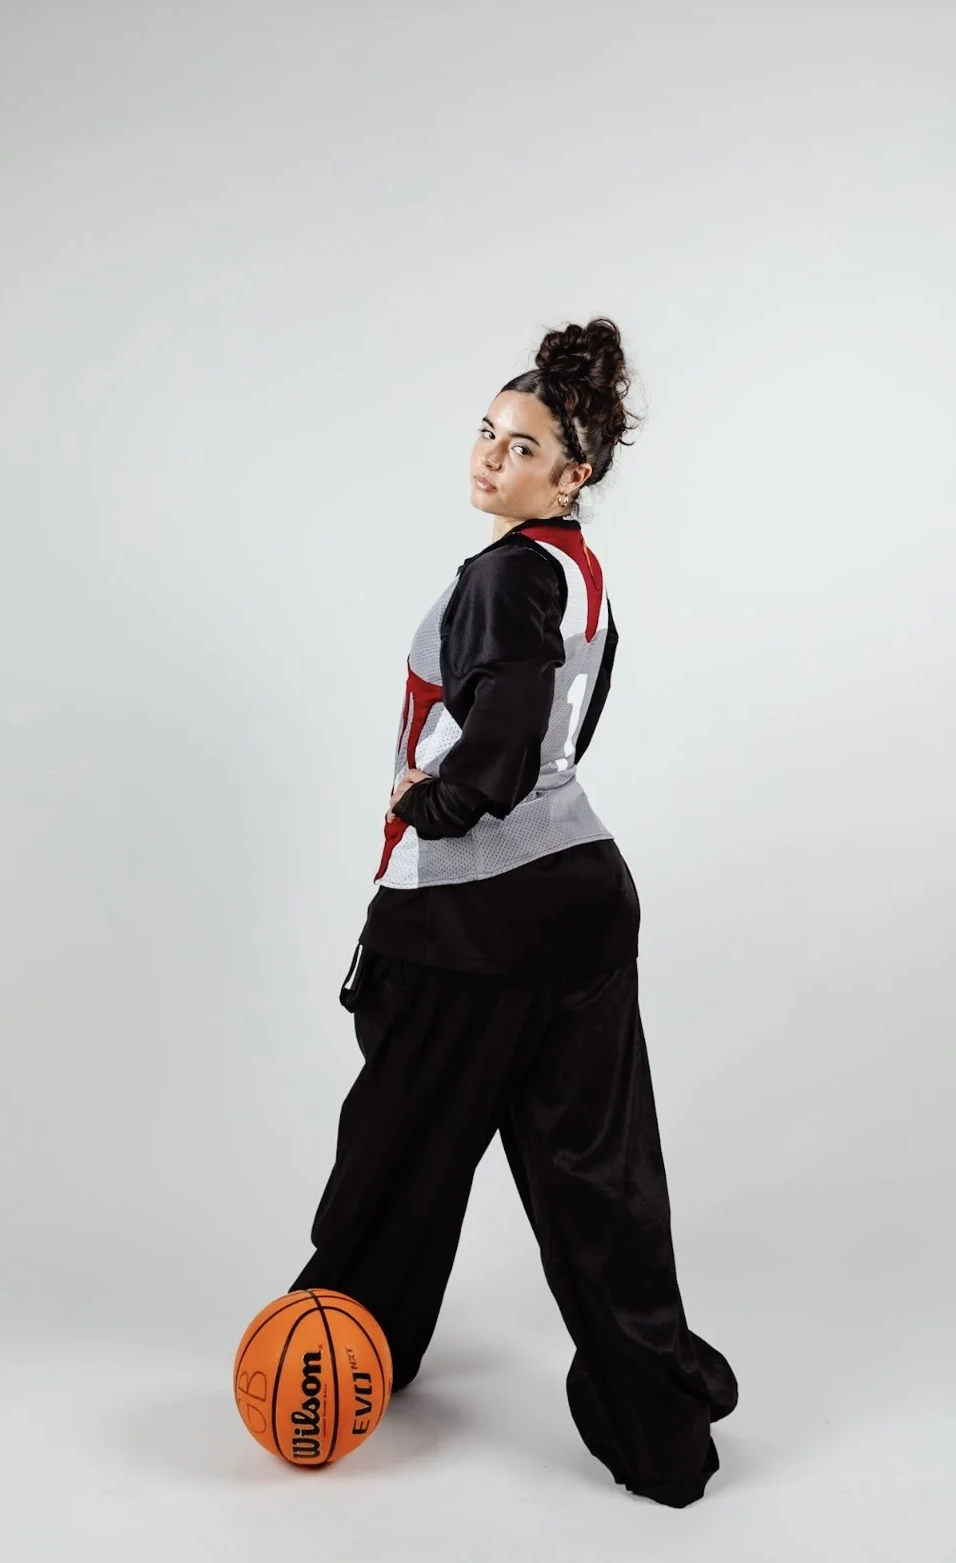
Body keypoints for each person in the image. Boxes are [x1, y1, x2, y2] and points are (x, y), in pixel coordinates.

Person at [287, 316, 738, 1507]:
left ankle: (330, 1367)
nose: (490, 457)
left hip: (469, 925)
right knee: (597, 1179)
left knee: (393, 1157)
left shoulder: (499, 575)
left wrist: (434, 799)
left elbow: (495, 753)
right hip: (582, 900)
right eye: (486, 433)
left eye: (522, 446)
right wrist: (487, 783)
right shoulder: (577, 567)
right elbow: (561, 734)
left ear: (571, 473)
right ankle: (664, 1423)